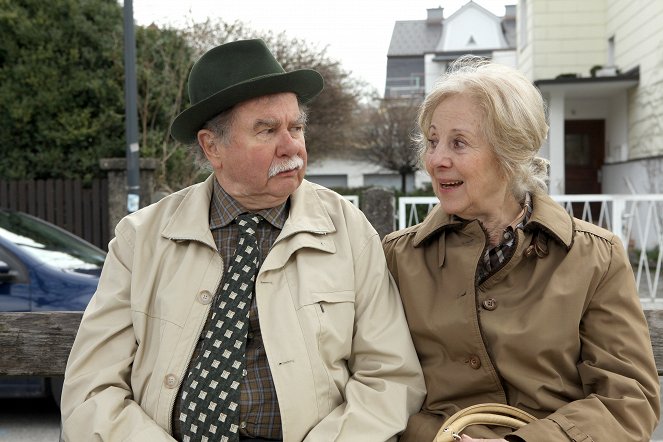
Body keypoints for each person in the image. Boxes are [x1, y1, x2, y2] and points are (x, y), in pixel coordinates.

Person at [60, 38, 425, 442]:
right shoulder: (140, 240)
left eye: (296, 128)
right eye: (267, 130)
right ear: (212, 146)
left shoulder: (348, 231)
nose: (292, 147)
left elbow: (390, 378)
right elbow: (92, 389)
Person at [382, 55, 660, 442]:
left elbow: (628, 398)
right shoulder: (398, 258)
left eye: (458, 143)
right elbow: (379, 384)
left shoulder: (596, 257)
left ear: (510, 152)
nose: (435, 160)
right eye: (432, 141)